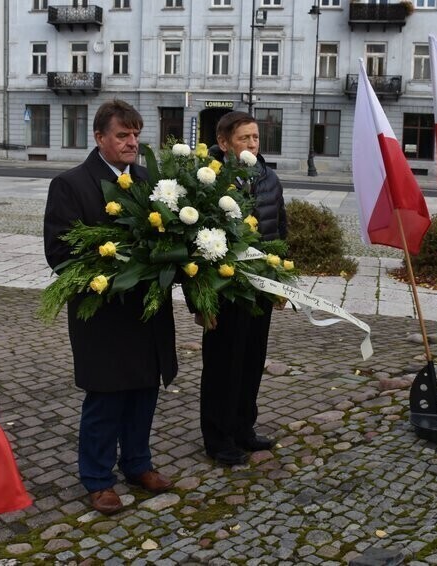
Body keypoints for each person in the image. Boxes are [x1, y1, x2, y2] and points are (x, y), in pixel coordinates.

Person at [43, 100, 178, 514]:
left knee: (143, 392)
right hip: (102, 314)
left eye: (136, 135)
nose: (132, 142)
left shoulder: (150, 181)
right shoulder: (71, 184)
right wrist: (119, 261)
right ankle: (98, 479)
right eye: (123, 135)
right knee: (105, 399)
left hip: (147, 311)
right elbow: (59, 252)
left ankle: (138, 465)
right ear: (100, 137)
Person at [198, 111, 288, 466]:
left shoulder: (269, 178)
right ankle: (218, 438)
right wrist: (201, 300)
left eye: (255, 138)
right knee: (223, 365)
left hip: (260, 289)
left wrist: (281, 282)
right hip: (224, 291)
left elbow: (280, 229)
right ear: (223, 144)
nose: (252, 144)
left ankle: (243, 428)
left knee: (252, 361)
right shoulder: (208, 181)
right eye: (243, 139)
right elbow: (196, 242)